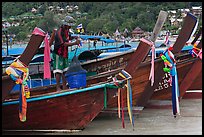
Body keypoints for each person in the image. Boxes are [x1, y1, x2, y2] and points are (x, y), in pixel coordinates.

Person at [52, 16, 80, 91]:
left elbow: (68, 38)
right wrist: (74, 43)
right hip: (58, 53)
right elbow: (63, 43)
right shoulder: (59, 32)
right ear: (66, 24)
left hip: (65, 53)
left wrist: (75, 38)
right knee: (58, 70)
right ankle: (58, 87)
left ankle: (64, 86)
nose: (70, 26)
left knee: (65, 70)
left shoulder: (67, 31)